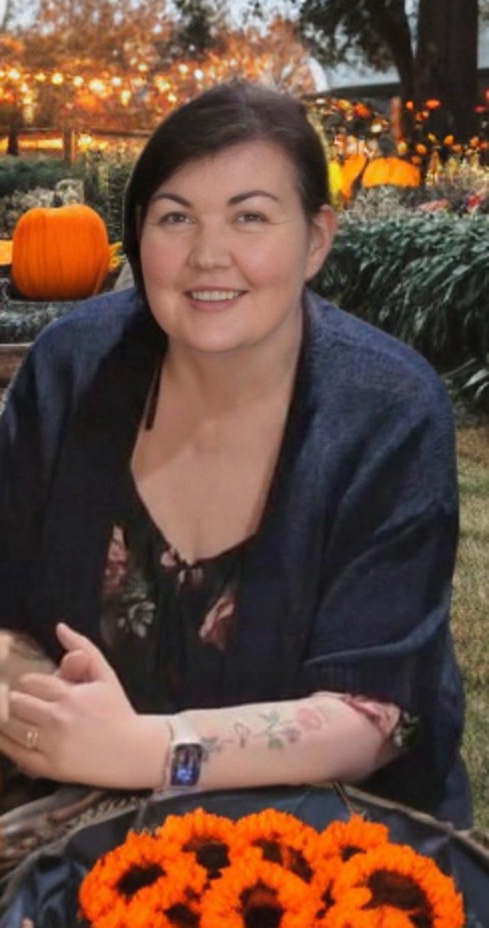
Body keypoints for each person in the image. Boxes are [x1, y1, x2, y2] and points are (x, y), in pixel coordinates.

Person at [0, 81, 471, 827]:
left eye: (249, 216)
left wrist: (149, 752)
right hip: (64, 802)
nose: (207, 255)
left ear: (316, 239)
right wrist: (48, 723)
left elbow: (372, 715)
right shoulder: (71, 369)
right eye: (175, 217)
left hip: (318, 830)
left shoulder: (388, 409)